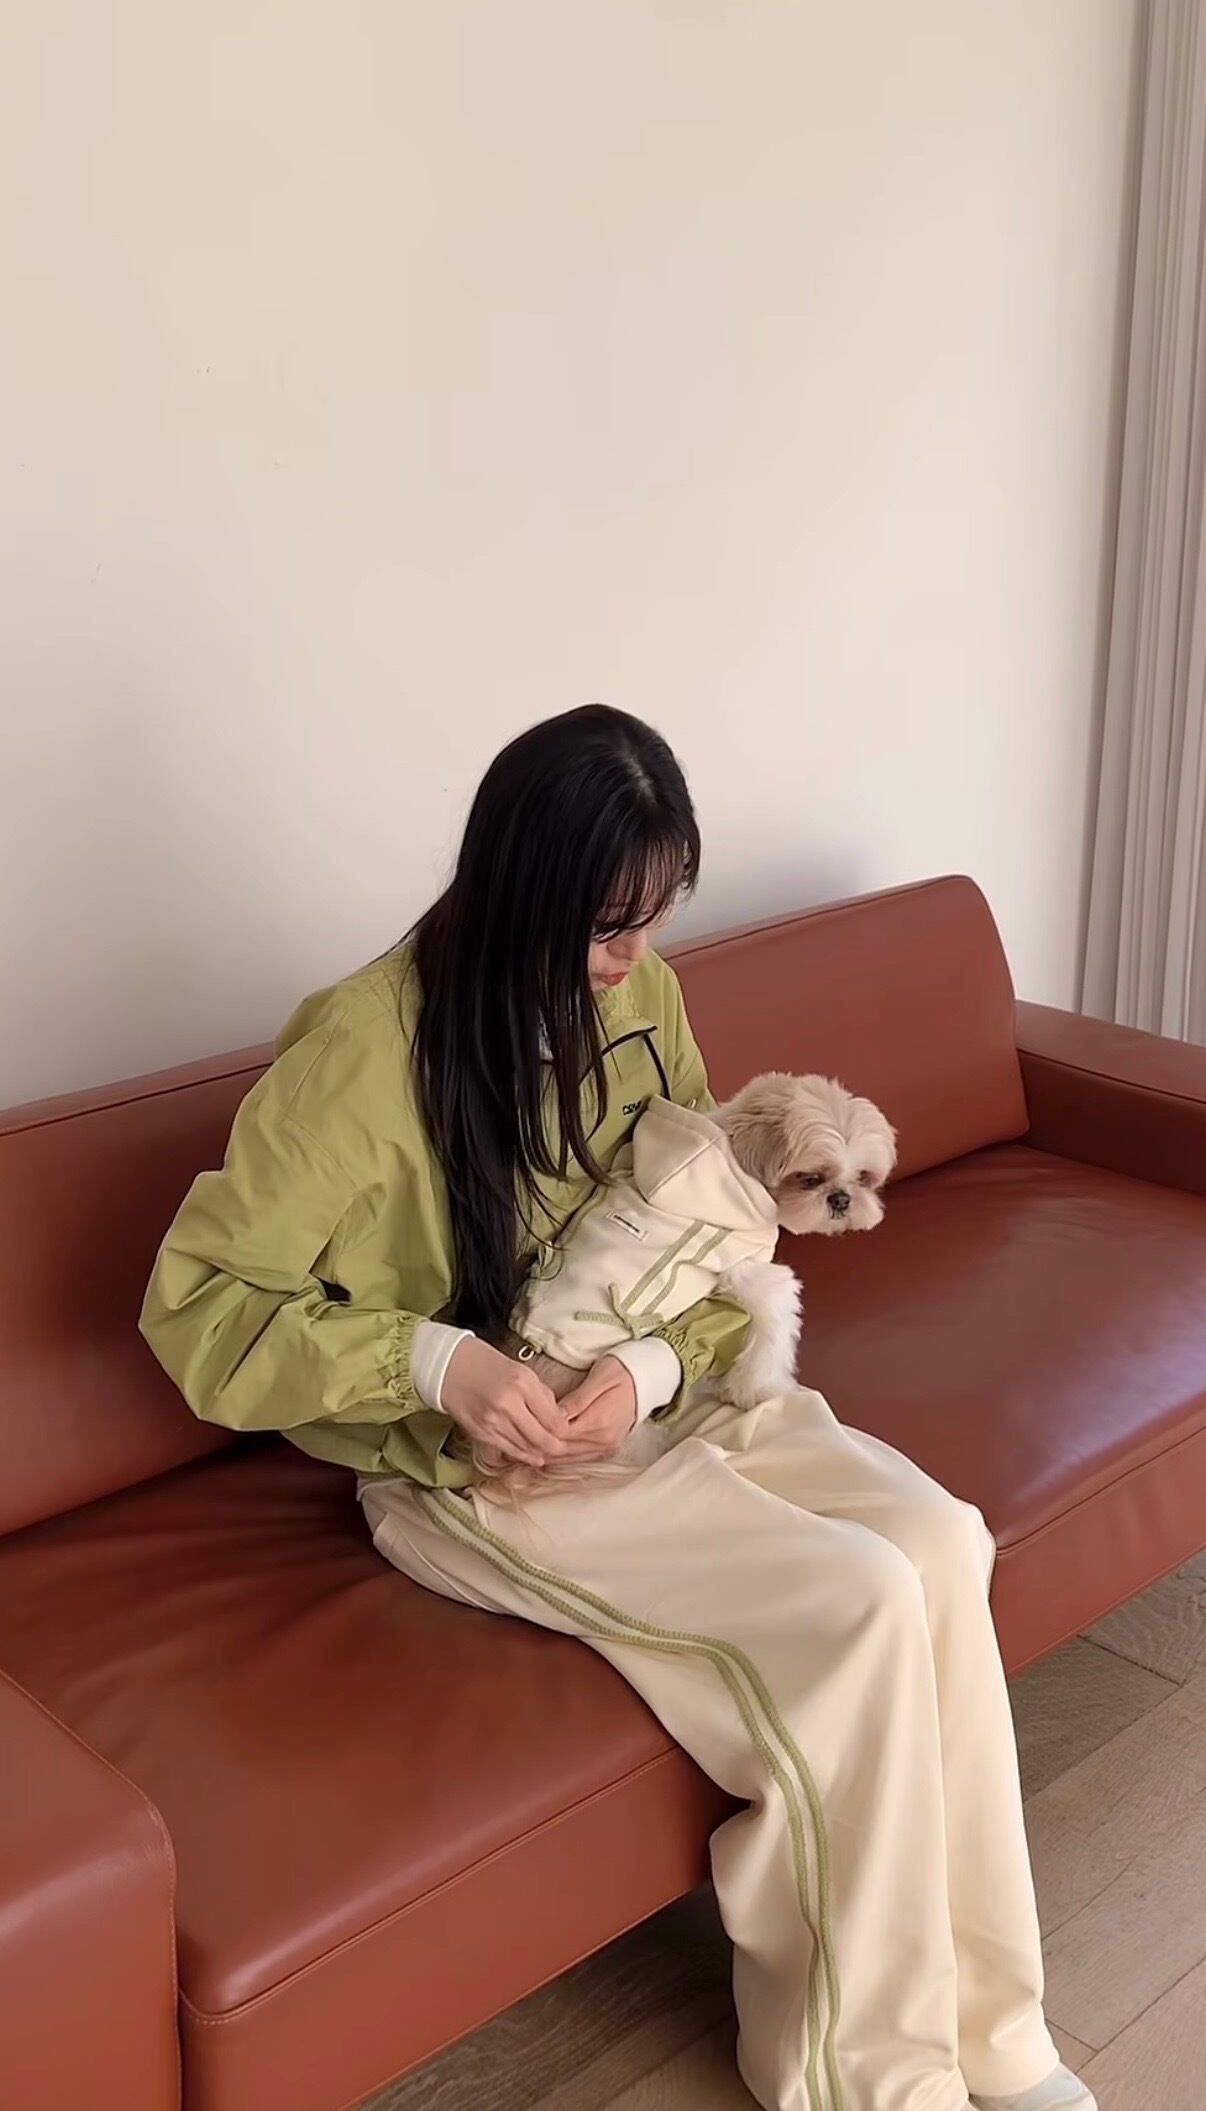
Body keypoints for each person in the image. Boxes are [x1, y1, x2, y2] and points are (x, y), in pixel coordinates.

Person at [141, 705, 1091, 2111]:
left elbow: (716, 1228)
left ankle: (997, 2035)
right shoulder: (356, 1057)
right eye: (605, 926)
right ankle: (872, 2083)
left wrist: (646, 1371)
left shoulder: (642, 1003)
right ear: (515, 888)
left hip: (665, 1392)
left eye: (653, 919)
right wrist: (439, 1365)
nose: (634, 958)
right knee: (856, 1601)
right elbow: (201, 1311)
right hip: (476, 1467)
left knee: (942, 1541)